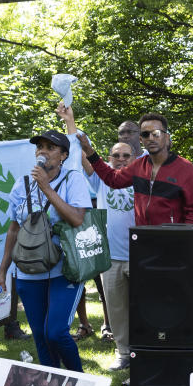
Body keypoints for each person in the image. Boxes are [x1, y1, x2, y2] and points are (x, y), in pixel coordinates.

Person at [0, 129, 91, 373]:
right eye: (40, 147)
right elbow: (14, 230)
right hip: (28, 272)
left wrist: (46, 188)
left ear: (64, 155)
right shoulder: (22, 183)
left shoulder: (72, 179)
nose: (43, 151)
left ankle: (80, 383)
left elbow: (77, 219)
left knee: (55, 332)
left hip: (65, 269)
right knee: (41, 338)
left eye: (50, 147)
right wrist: (2, 272)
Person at [61, 109, 137, 371]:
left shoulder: (143, 179)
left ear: (134, 158)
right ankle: (123, 352)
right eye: (115, 155)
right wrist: (70, 122)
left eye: (126, 155)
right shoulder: (102, 179)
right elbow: (80, 154)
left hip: (140, 255)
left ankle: (144, 351)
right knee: (116, 309)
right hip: (112, 257)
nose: (120, 159)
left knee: (142, 309)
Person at [83, 112, 193, 225]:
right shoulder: (138, 166)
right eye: (145, 134)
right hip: (142, 238)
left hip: (174, 240)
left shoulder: (185, 168)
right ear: (140, 139)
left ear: (166, 136)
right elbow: (113, 179)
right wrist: (90, 152)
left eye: (156, 133)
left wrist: (185, 239)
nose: (151, 138)